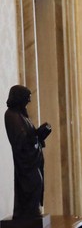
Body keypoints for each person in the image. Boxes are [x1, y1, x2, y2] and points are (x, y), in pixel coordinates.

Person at [4, 85, 51, 218]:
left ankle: (33, 212)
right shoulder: (11, 115)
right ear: (19, 98)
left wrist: (41, 133)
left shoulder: (22, 115)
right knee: (33, 184)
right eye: (27, 98)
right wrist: (36, 135)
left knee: (38, 184)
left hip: (32, 160)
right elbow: (20, 141)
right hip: (25, 163)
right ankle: (28, 214)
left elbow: (30, 136)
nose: (29, 101)